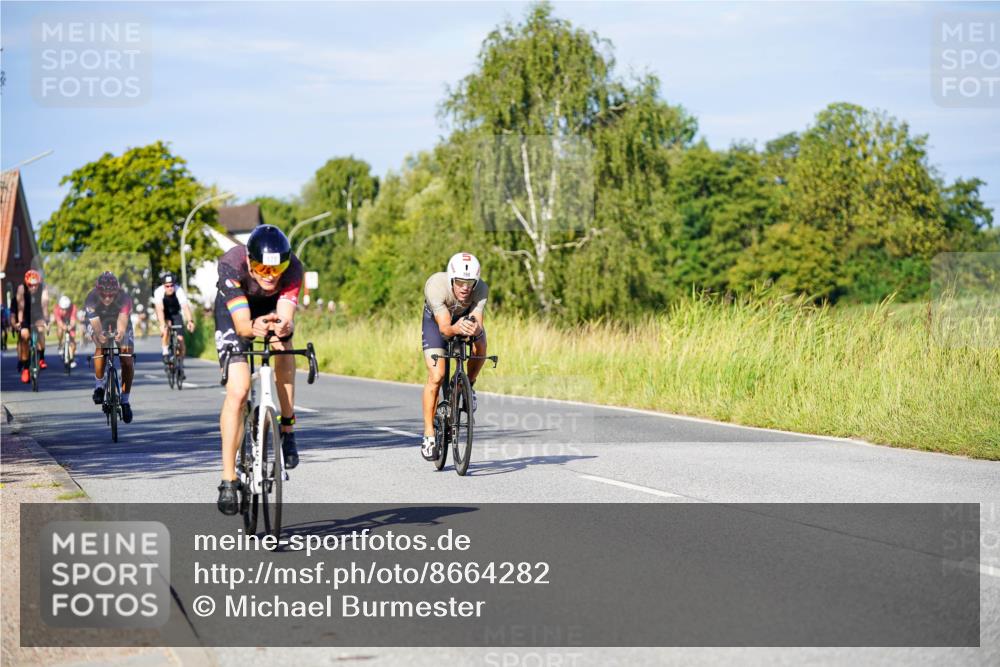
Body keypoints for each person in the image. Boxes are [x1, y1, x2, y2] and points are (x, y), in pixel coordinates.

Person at [213, 225, 304, 515]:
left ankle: (287, 430)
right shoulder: (231, 264)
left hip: (270, 307)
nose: (270, 274)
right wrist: (254, 327)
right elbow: (242, 326)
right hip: (235, 311)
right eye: (262, 266)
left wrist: (281, 327)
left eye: (278, 268)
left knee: (284, 345)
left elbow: (286, 316)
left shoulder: (293, 270)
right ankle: (228, 479)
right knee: (238, 391)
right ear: (250, 262)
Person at [419, 252, 489, 460]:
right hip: (437, 323)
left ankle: (468, 386)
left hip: (463, 320)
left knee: (482, 344)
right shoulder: (435, 286)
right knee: (437, 376)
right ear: (451, 279)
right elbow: (444, 329)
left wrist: (474, 329)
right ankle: (429, 434)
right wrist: (456, 327)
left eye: (470, 283)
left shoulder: (482, 289)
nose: (465, 288)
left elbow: (478, 321)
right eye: (460, 282)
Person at [85, 272, 136, 423]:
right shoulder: (91, 298)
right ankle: (99, 385)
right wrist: (100, 334)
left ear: (117, 292)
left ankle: (125, 401)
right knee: (100, 344)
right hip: (99, 320)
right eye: (104, 295)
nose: (107, 298)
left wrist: (120, 333)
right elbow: (95, 324)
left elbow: (122, 321)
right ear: (98, 292)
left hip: (119, 319)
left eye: (111, 295)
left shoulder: (125, 298)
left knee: (127, 359)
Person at [152, 272, 195, 375]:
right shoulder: (159, 292)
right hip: (164, 314)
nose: (170, 288)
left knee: (180, 340)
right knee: (166, 330)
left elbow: (185, 307)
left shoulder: (179, 290)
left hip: (175, 314)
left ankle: (180, 363)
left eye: (171, 285)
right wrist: (162, 324)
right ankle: (165, 352)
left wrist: (190, 321)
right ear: (164, 286)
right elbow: (159, 309)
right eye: (167, 286)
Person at [15, 269, 50, 383]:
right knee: (24, 335)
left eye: (36, 285)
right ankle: (25, 368)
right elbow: (20, 308)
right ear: (26, 283)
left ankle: (41, 358)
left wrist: (46, 321)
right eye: (31, 285)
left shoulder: (43, 288)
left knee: (40, 330)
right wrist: (20, 323)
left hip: (38, 313)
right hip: (26, 314)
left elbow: (45, 306)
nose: (33, 288)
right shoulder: (21, 289)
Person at [51, 295, 79, 368]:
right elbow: (59, 322)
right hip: (61, 321)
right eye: (63, 309)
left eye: (66, 309)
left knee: (72, 339)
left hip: (70, 321)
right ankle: (60, 344)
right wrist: (64, 327)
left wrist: (70, 327)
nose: (65, 311)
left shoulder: (73, 308)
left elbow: (73, 320)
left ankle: (72, 358)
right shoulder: (56, 309)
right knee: (60, 330)